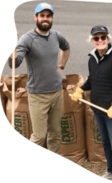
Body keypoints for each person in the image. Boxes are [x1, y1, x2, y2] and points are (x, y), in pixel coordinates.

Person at [71, 25, 112, 183]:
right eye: (96, 38)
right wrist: (81, 90)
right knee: (105, 142)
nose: (100, 41)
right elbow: (93, 79)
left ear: (108, 38)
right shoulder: (92, 57)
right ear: (92, 41)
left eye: (103, 37)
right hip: (98, 109)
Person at [8, 2, 70, 154]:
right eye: (42, 15)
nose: (45, 19)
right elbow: (14, 63)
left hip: (56, 92)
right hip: (38, 95)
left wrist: (61, 65)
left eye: (48, 16)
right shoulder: (27, 39)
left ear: (51, 18)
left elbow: (66, 48)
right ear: (35, 17)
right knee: (39, 136)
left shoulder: (56, 36)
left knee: (55, 134)